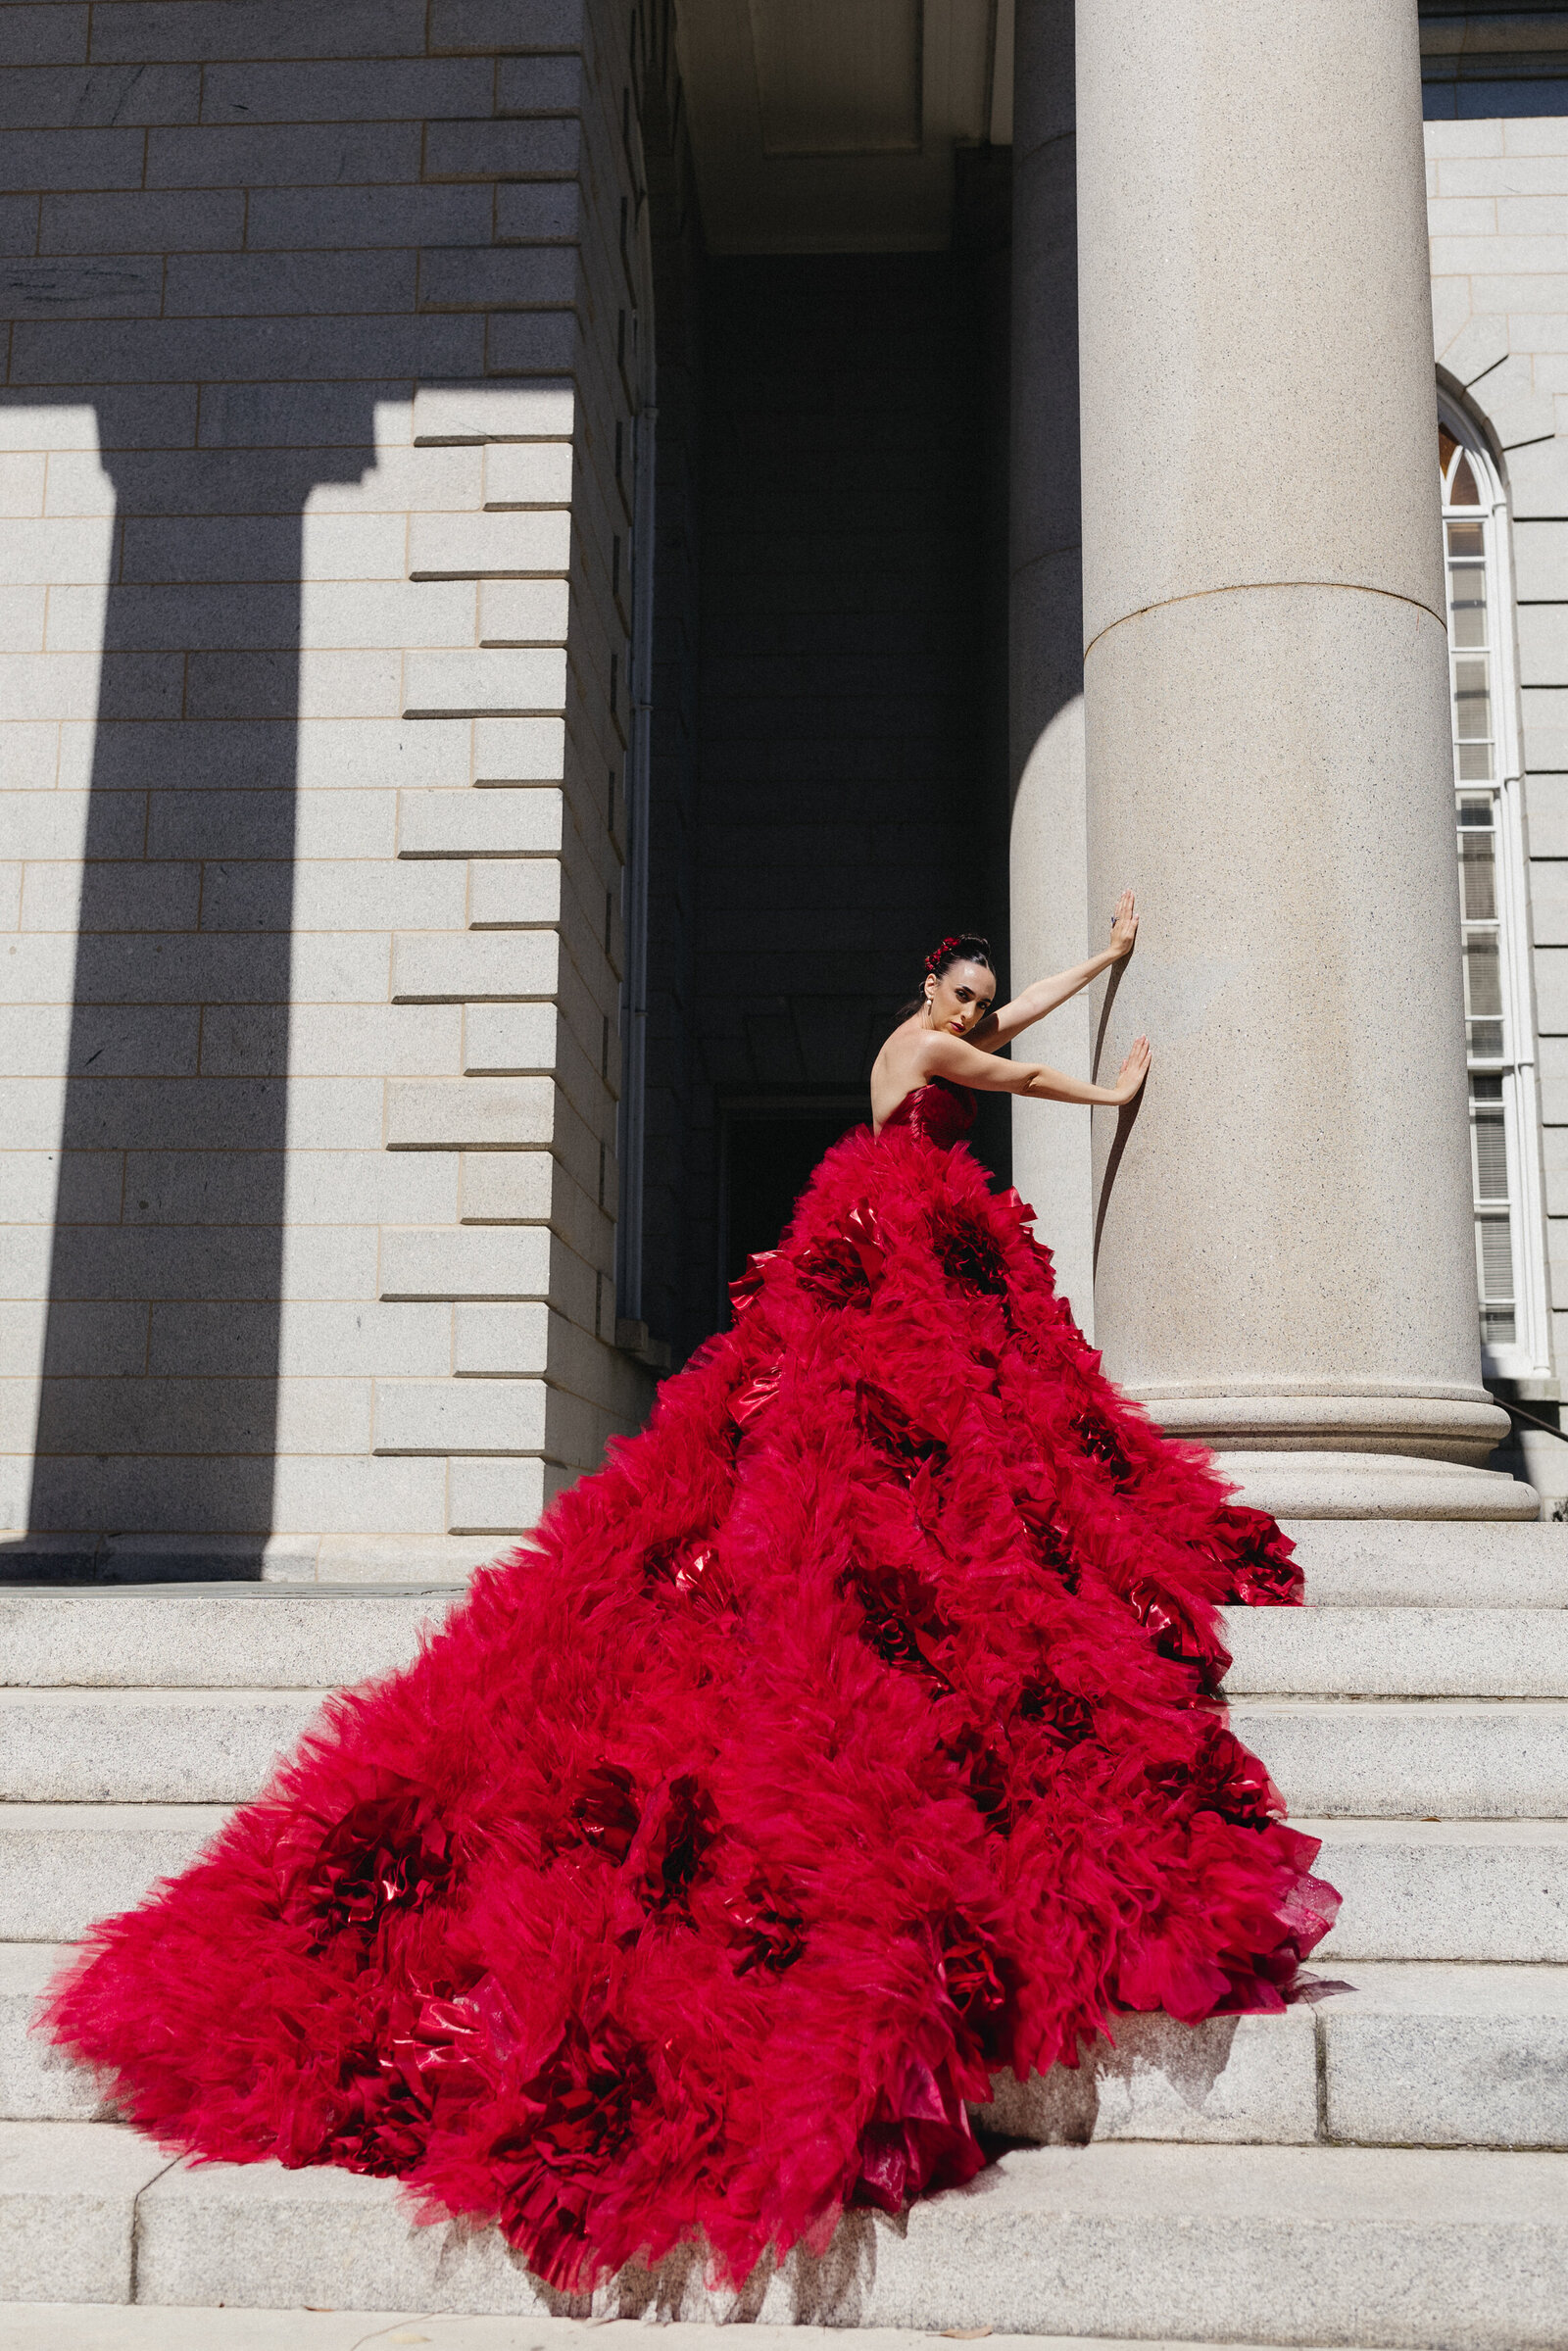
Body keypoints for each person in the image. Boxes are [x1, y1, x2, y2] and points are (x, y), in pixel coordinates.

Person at [45, 898, 1337, 2299]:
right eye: (964, 994)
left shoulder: (938, 1030)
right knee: (864, 1442)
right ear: (930, 990)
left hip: (900, 1245)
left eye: (982, 995)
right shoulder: (937, 1055)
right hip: (885, 1256)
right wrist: (1117, 1087)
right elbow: (1014, 1073)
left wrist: (1104, 958)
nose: (974, 1010)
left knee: (933, 1417)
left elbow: (1014, 1027)